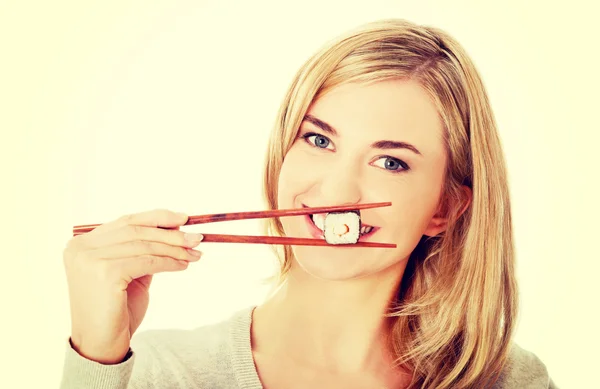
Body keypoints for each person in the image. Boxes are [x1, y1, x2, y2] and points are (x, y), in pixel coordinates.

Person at [60, 18, 558, 389]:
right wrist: (96, 356)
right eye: (319, 141)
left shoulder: (509, 381)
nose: (337, 193)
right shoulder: (161, 373)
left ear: (444, 209)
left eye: (390, 162)